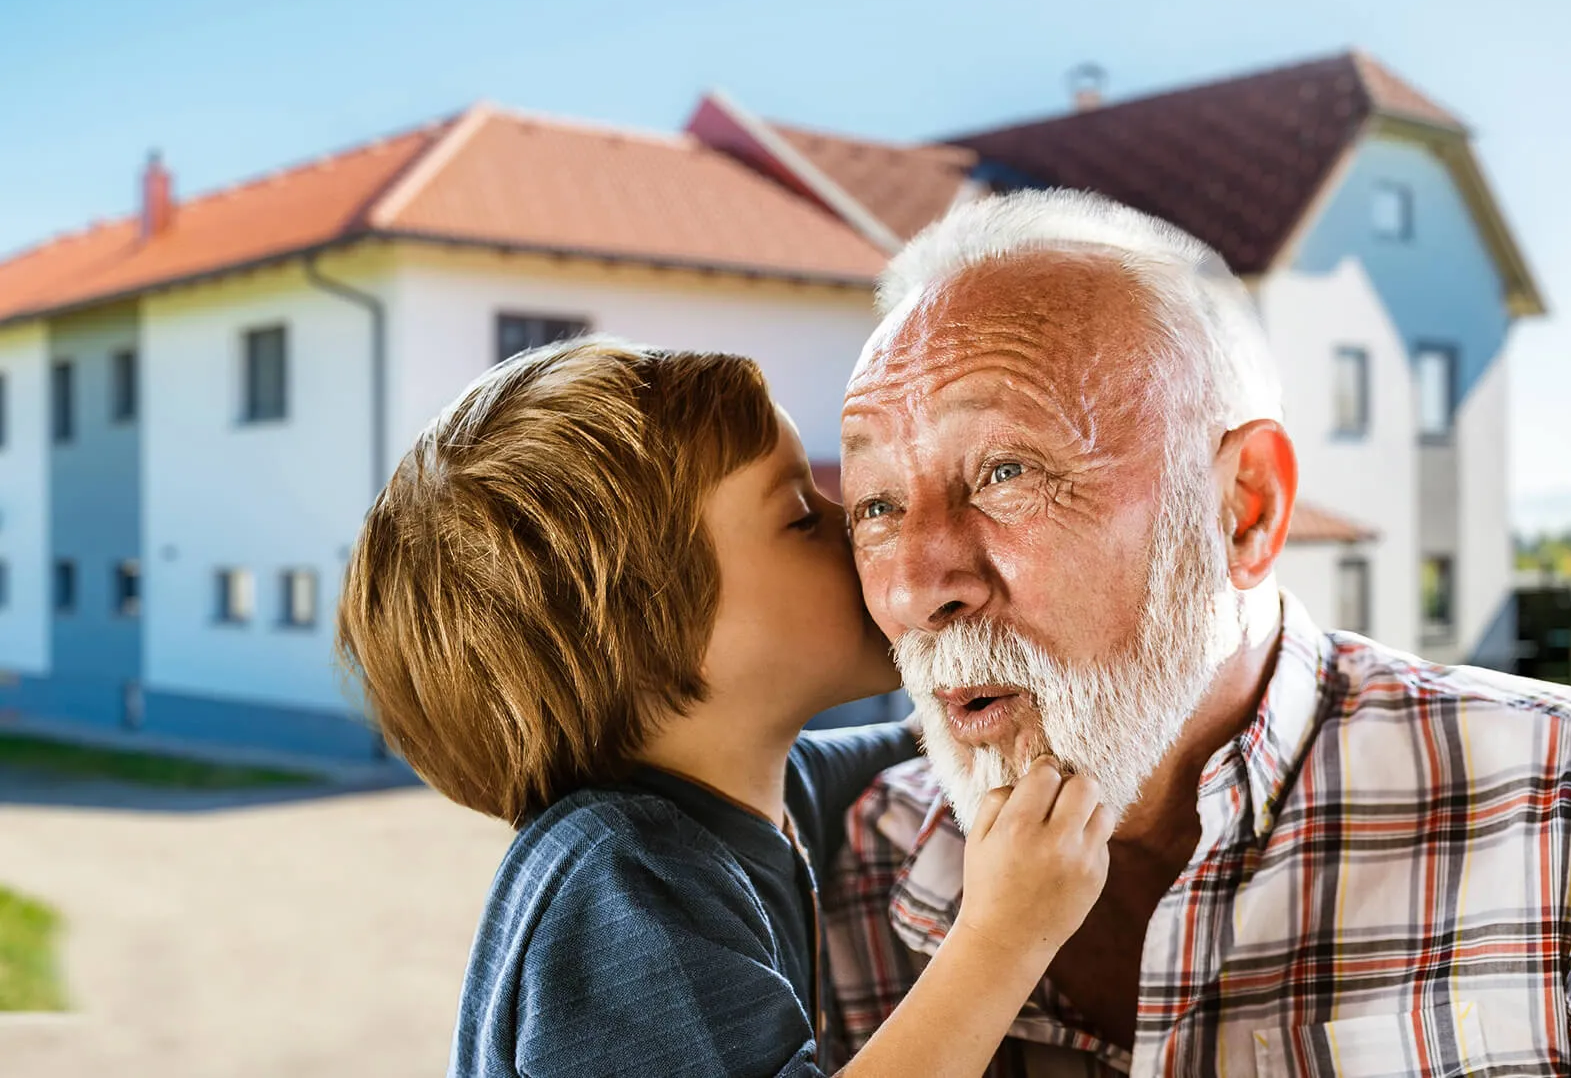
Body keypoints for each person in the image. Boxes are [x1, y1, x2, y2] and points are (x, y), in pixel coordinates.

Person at [826, 189, 1571, 1075]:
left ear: (1243, 508)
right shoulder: (844, 870)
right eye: (878, 505)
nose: (916, 587)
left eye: (1007, 471)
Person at [334, 338, 1119, 1078]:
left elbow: (918, 741)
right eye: (802, 518)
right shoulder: (620, 882)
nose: (860, 527)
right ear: (654, 632)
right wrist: (1002, 935)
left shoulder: (763, 794)